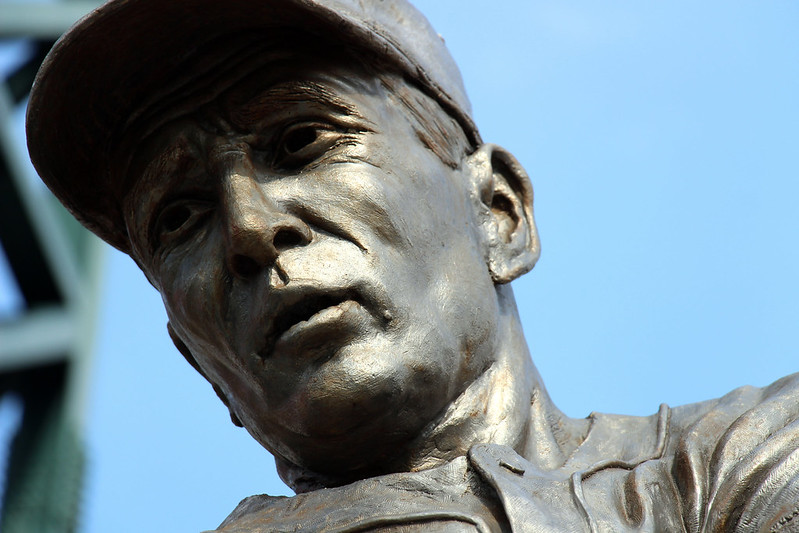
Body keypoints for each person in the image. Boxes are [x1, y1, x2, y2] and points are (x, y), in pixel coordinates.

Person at [26, 0, 799, 531]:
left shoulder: (749, 455)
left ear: (499, 214)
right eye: (179, 217)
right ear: (201, 364)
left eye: (300, 142)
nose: (250, 230)